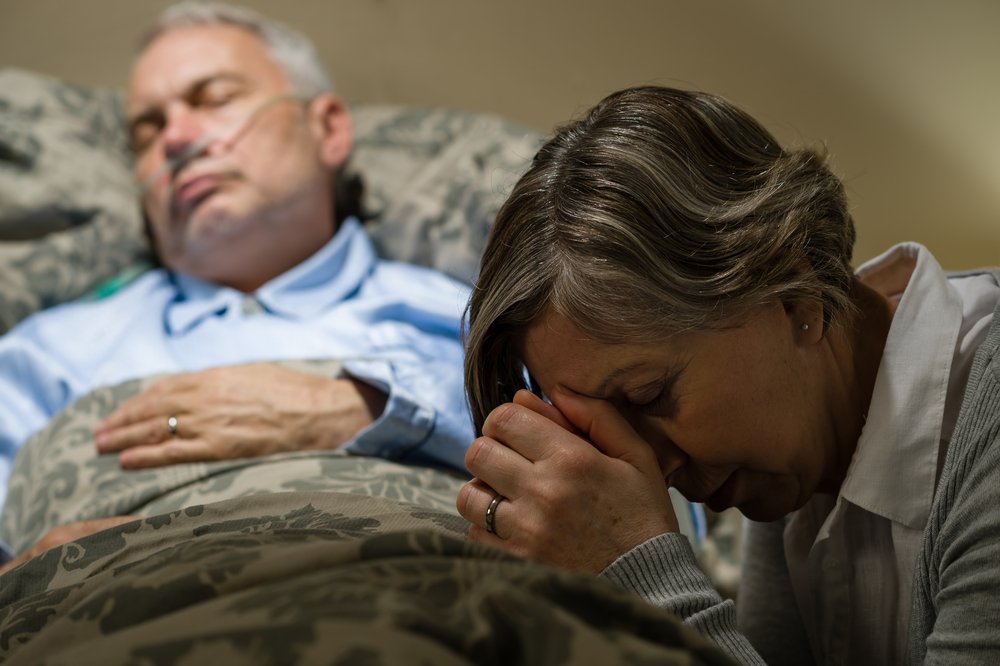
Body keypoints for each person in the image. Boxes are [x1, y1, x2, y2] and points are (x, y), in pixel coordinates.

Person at [456, 85, 1000, 664]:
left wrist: (643, 580)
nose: (651, 471)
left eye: (650, 394)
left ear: (798, 292)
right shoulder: (797, 441)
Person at [0, 3, 472, 563]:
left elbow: (579, 463)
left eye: (214, 99)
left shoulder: (468, 315)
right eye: (147, 131)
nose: (175, 140)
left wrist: (370, 408)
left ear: (328, 129)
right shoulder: (43, 356)